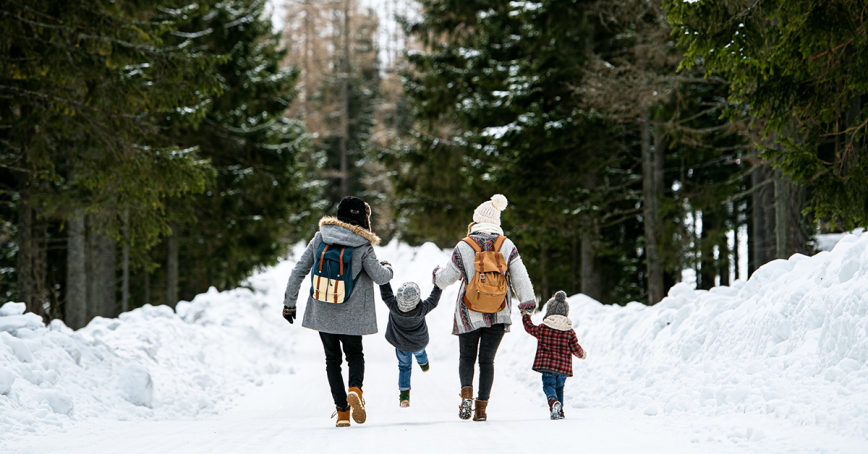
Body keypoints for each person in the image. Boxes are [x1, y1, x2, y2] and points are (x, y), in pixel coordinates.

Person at [282, 196, 394, 427]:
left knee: (332, 360)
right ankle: (355, 390)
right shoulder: (363, 244)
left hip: (323, 310)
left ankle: (342, 412)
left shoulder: (321, 237)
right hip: (353, 314)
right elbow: (380, 277)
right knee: (355, 356)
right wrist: (388, 268)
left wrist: (289, 304)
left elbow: (298, 270)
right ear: (363, 219)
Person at [433, 194, 537, 421]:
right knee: (487, 361)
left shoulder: (464, 245)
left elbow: (445, 279)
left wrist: (436, 275)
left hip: (468, 312)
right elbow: (520, 278)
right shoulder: (507, 245)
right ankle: (481, 410)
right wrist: (527, 306)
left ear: (477, 220)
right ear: (496, 222)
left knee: (467, 357)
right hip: (499, 311)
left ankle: (466, 395)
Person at [521, 291, 586, 420]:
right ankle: (559, 411)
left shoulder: (543, 328)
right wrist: (582, 354)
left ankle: (553, 402)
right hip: (563, 368)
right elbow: (575, 347)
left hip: (548, 366)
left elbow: (529, 327)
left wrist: (525, 315)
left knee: (548, 386)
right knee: (560, 388)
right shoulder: (569, 332)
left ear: (549, 311)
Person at [378, 280, 442, 407]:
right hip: (418, 343)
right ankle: (424, 364)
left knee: (404, 367)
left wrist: (383, 276)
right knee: (420, 353)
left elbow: (386, 293)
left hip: (401, 345)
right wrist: (438, 284)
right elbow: (433, 300)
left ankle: (404, 397)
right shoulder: (422, 309)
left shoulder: (393, 306)